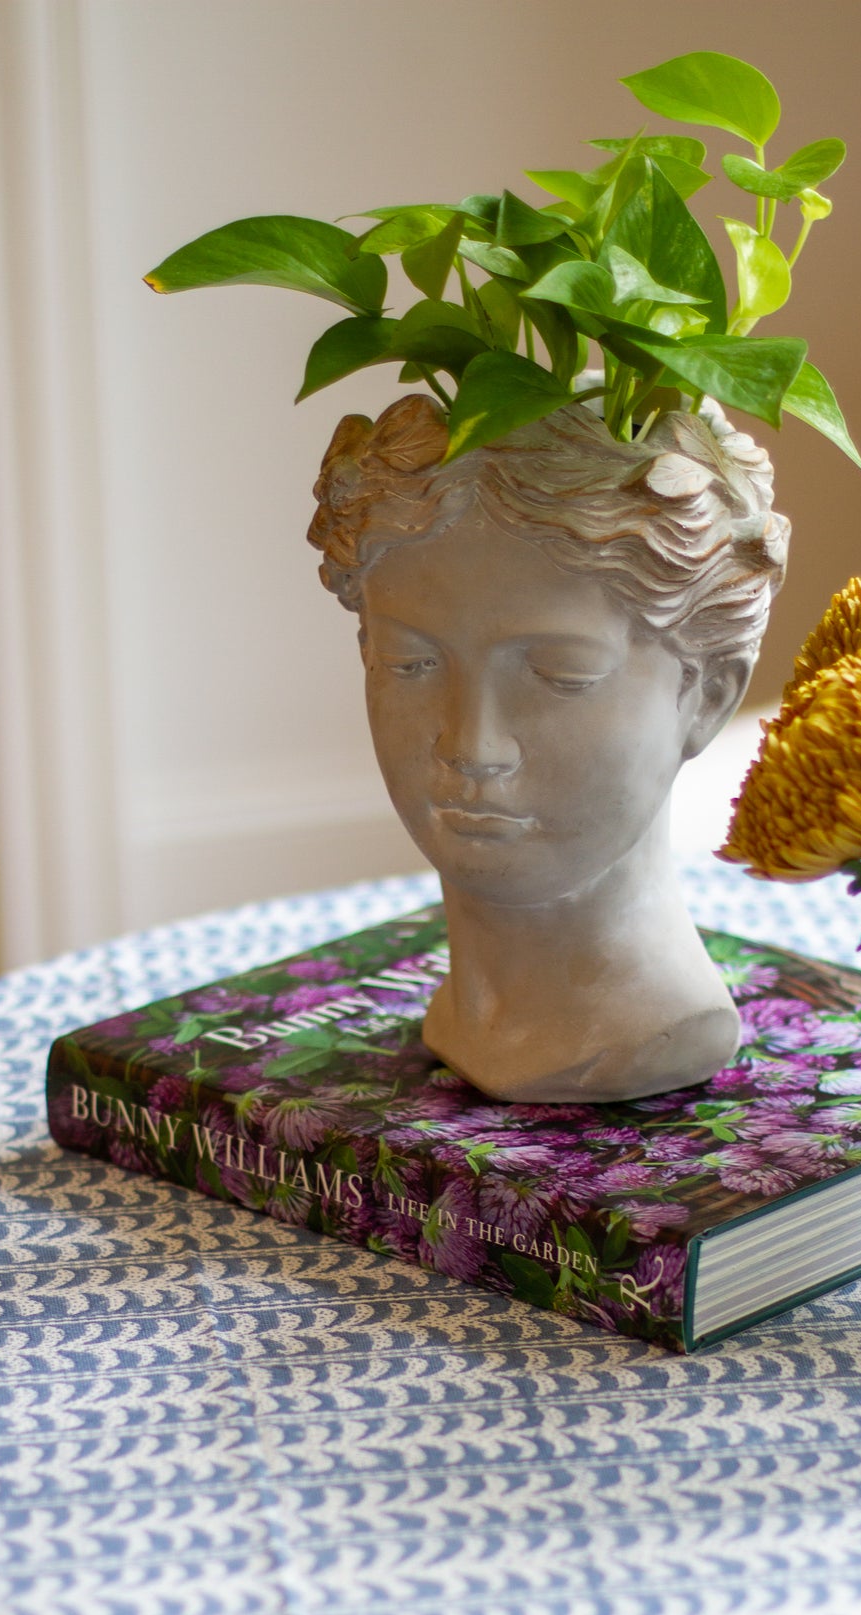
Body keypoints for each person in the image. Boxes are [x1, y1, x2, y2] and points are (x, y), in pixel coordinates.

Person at [308, 391, 789, 1101]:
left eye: (558, 676)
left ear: (707, 694)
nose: (472, 746)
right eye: (409, 663)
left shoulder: (664, 1026)